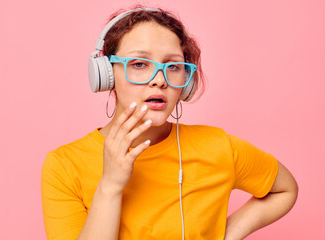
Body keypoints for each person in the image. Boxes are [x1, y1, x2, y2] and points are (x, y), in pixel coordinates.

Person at [41, 6, 298, 240]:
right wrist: (110, 185)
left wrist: (227, 234)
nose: (159, 80)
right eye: (139, 64)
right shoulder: (64, 166)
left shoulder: (219, 147)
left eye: (173, 66)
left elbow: (285, 190)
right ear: (106, 74)